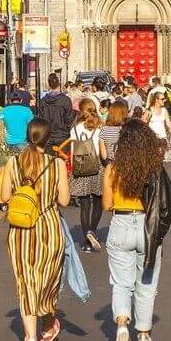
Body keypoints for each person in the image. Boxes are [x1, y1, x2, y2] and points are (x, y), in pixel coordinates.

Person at [103, 120, 171, 341]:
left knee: (121, 282)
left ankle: (122, 324)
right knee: (146, 283)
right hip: (148, 227)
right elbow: (167, 201)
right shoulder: (153, 169)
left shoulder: (113, 169)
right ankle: (143, 334)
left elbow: (107, 205)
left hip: (121, 225)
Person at [0, 118, 70, 341]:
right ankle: (49, 322)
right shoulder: (56, 164)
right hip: (48, 228)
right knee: (49, 279)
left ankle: (30, 338)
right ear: (48, 138)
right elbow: (64, 201)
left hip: (20, 230)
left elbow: (4, 196)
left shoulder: (13, 163)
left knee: (26, 281)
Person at [64, 102, 108, 252]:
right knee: (97, 201)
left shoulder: (75, 129)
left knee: (84, 204)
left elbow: (71, 151)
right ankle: (92, 231)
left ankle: (86, 238)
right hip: (97, 165)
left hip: (81, 165)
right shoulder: (100, 127)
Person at [39, 72, 76, 151]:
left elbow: (41, 120)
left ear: (49, 84)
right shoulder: (65, 100)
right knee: (62, 161)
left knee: (49, 161)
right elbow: (69, 120)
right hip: (62, 136)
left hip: (48, 136)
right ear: (59, 84)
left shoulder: (42, 102)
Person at [145, 90, 171, 161]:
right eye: (162, 99)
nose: (164, 100)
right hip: (152, 137)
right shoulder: (149, 110)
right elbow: (144, 123)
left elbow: (168, 123)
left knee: (161, 157)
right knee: (153, 157)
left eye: (164, 99)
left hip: (162, 137)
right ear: (156, 100)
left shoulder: (164, 110)